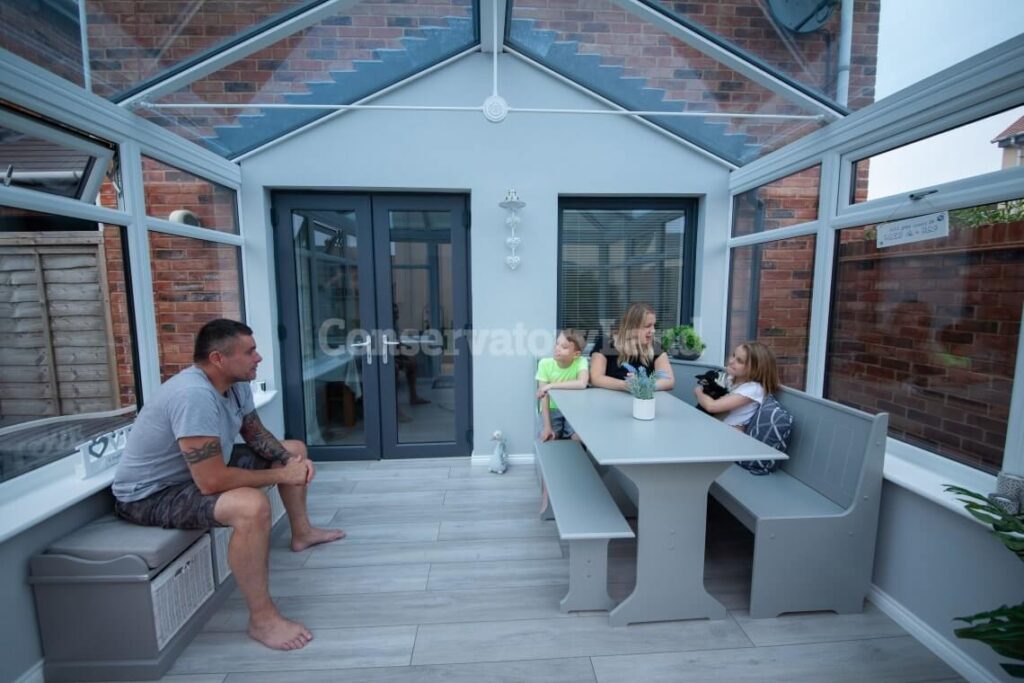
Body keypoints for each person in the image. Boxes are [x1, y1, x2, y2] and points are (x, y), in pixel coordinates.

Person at [112, 319, 345, 651]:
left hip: (193, 474)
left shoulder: (234, 384)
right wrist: (282, 475)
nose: (259, 358)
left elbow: (256, 435)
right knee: (251, 506)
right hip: (151, 494)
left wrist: (289, 463)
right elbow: (212, 481)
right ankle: (262, 619)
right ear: (219, 358)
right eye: (250, 352)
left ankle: (302, 533)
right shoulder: (193, 395)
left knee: (293, 451)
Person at [694, 341, 780, 431]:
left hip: (730, 435)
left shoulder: (753, 388)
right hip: (715, 426)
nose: (731, 361)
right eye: (733, 355)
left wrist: (698, 391)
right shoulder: (732, 378)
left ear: (755, 369)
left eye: (740, 361)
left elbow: (712, 406)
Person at [590, 302, 675, 392]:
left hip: (643, 401)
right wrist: (624, 385)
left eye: (654, 325)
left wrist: (645, 385)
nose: (653, 330)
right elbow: (595, 378)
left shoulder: (656, 346)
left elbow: (669, 381)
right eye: (648, 326)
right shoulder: (605, 343)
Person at [536, 329, 590, 442]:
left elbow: (582, 383)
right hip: (552, 409)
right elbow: (544, 398)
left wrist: (551, 386)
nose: (557, 349)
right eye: (557, 344)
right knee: (549, 438)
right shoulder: (544, 364)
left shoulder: (581, 361)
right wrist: (547, 427)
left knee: (579, 438)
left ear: (576, 354)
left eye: (564, 347)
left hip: (574, 409)